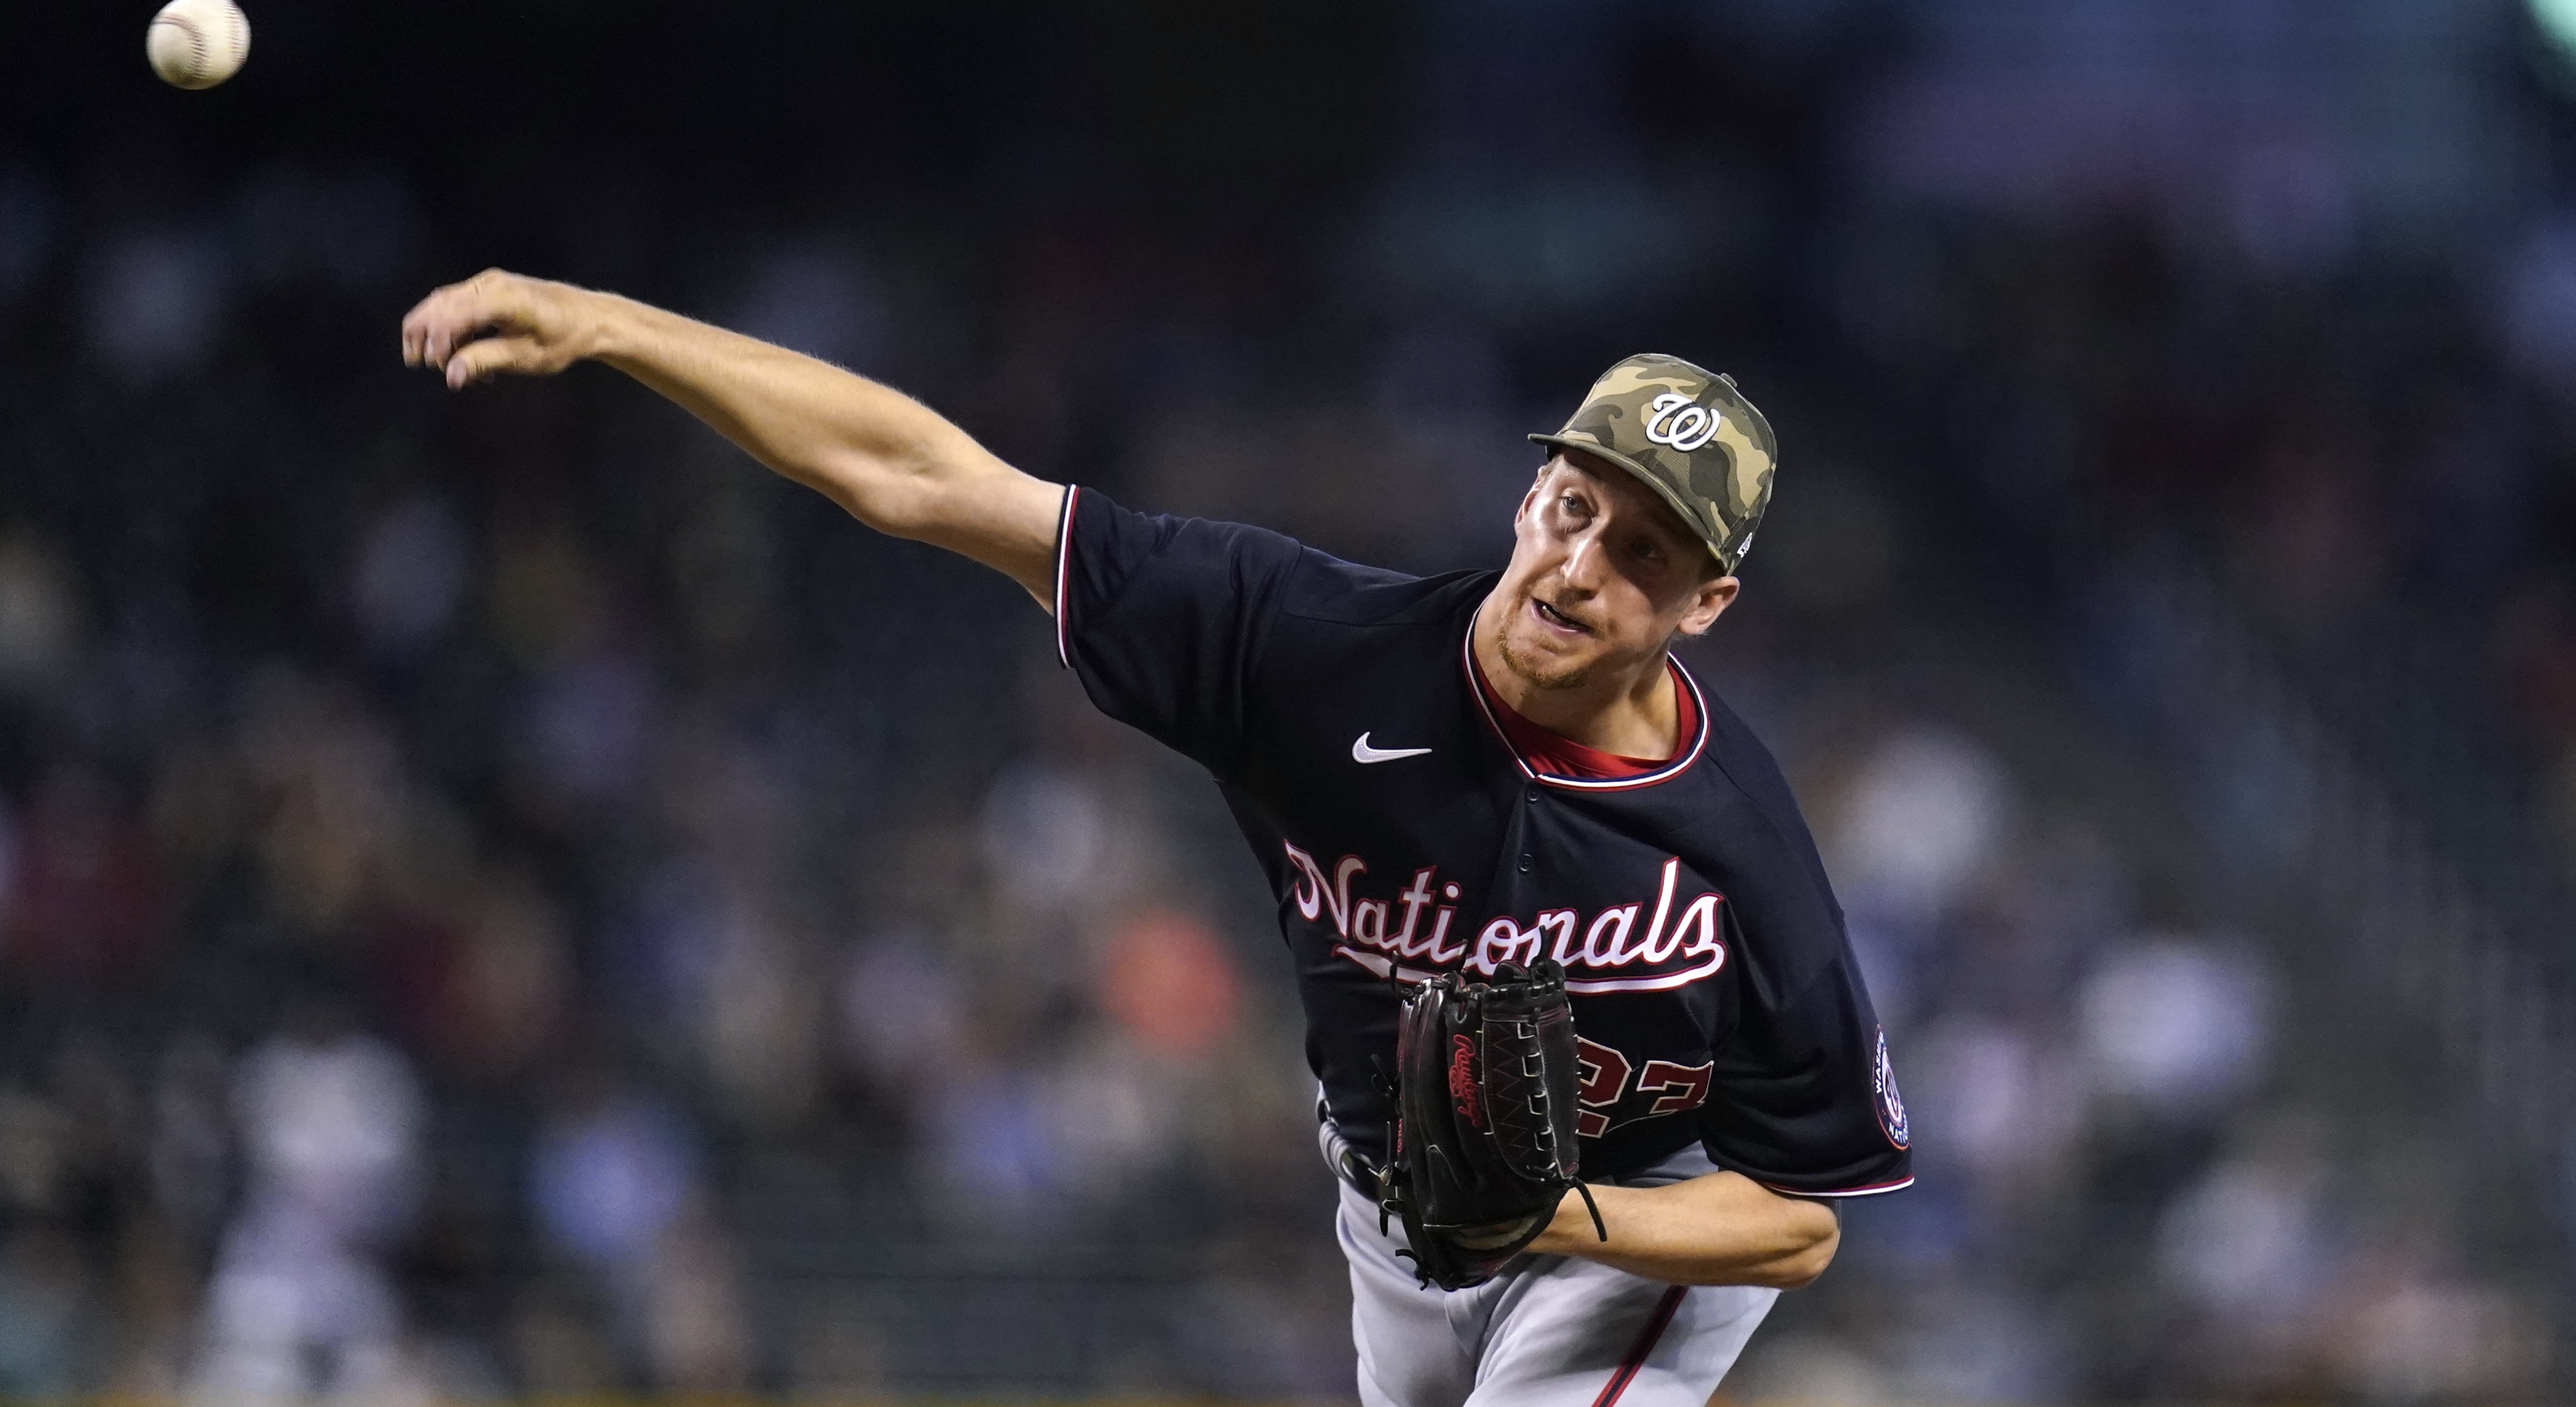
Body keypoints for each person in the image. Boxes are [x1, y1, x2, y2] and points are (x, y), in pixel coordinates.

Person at [400, 272, 1912, 1406]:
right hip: (1391, 1214)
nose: (1580, 566)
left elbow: (1800, 1218)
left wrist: (1574, 1214)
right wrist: (610, 325)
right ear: (1531, 494)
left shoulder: (1736, 846)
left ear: (1705, 606)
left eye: (1643, 554)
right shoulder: (1305, 642)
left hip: (1627, 1235)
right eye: (1574, 507)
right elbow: (927, 478)